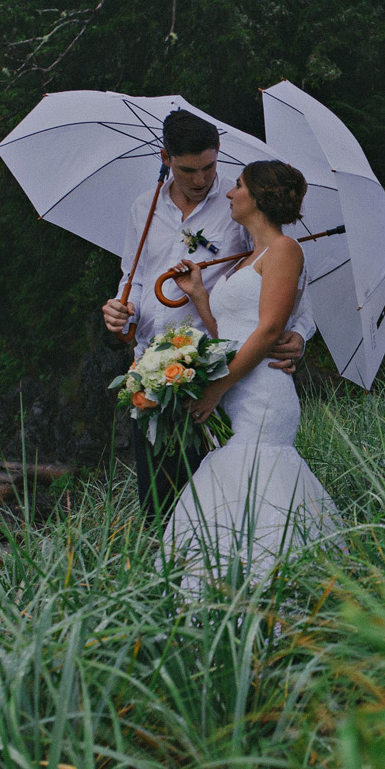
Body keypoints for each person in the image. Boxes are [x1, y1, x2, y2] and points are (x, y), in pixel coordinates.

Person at [100, 110, 314, 523]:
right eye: (188, 170)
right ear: (165, 158)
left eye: (210, 167)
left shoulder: (238, 209)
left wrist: (300, 336)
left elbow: (291, 297)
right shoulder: (142, 209)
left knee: (223, 505)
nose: (201, 180)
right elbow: (135, 281)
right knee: (159, 507)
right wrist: (119, 314)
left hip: (218, 378)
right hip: (151, 376)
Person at [160, 159, 340, 586]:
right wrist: (201, 297)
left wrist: (216, 390)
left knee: (258, 487)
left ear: (258, 196)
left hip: (261, 395)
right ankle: (232, 595)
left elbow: (271, 329)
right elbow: (232, 335)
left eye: (237, 185)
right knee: (236, 497)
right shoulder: (249, 259)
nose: (228, 192)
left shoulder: (284, 250)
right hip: (239, 389)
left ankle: (273, 593)